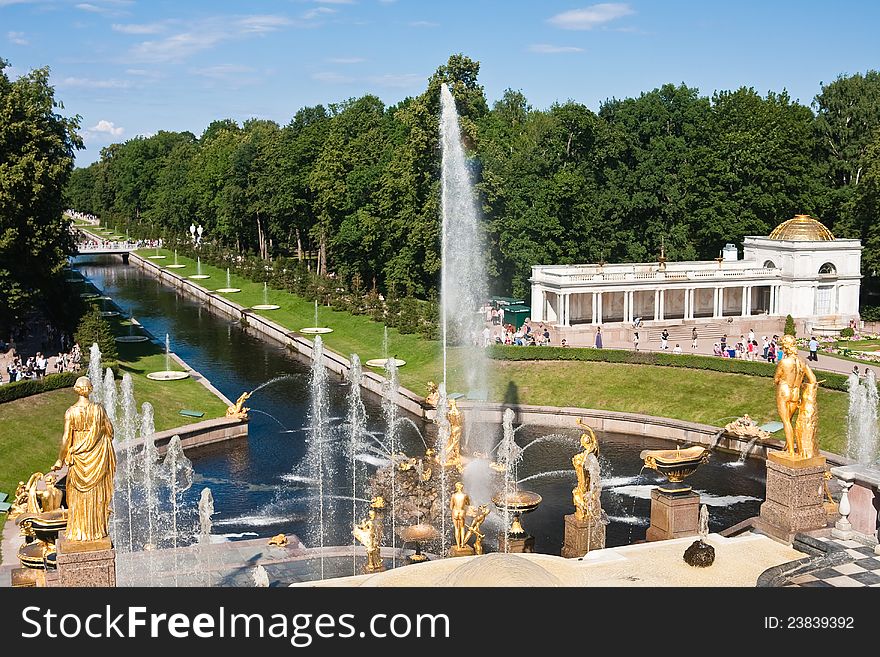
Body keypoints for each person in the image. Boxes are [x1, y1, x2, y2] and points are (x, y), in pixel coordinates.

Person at [51, 376, 116, 541]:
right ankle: (96, 530)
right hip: (96, 457)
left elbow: (66, 438)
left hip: (79, 458)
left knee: (77, 495)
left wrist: (60, 459)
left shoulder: (71, 412)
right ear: (91, 389)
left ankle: (78, 530)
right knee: (96, 494)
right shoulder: (99, 410)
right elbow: (110, 432)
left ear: (76, 389)